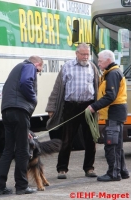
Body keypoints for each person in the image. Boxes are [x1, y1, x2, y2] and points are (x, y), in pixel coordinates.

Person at [46, 43, 99, 179]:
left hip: (88, 106)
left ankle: (89, 168)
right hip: (71, 106)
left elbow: (98, 86)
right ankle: (62, 169)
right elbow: (57, 89)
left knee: (90, 139)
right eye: (83, 54)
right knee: (67, 139)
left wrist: (97, 106)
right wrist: (51, 107)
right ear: (76, 54)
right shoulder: (67, 67)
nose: (86, 57)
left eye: (87, 54)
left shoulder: (92, 67)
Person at [0, 56, 43, 195]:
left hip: (7, 111)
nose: (38, 73)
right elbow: (26, 82)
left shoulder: (16, 69)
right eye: (39, 70)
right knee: (22, 150)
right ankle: (22, 186)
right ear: (38, 64)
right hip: (20, 111)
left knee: (8, 150)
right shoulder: (29, 66)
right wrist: (34, 98)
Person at [88, 50, 130, 181]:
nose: (98, 63)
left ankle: (113, 173)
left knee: (110, 144)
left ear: (108, 60)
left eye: (100, 61)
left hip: (114, 112)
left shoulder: (112, 73)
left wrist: (94, 107)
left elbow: (110, 96)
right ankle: (122, 171)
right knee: (117, 145)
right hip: (115, 112)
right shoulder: (111, 72)